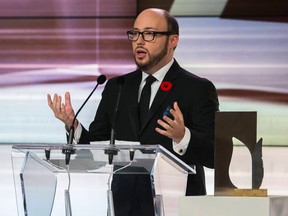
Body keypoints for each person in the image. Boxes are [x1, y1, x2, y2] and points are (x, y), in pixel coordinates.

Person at [48, 8, 219, 216]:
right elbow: (97, 148)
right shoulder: (117, 87)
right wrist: (73, 126)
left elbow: (215, 154)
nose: (139, 41)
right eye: (135, 33)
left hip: (178, 207)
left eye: (149, 34)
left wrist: (183, 137)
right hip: (125, 206)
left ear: (173, 41)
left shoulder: (197, 89)